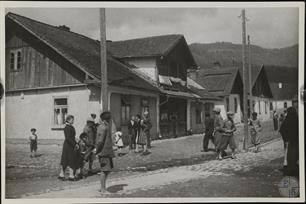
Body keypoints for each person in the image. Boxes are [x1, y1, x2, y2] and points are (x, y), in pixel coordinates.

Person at [95, 111, 115, 195]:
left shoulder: (106, 126)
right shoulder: (103, 127)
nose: (111, 120)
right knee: (104, 170)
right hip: (103, 152)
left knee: (107, 170)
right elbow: (100, 141)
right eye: (109, 119)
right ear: (106, 120)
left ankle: (102, 187)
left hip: (107, 152)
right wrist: (96, 151)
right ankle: (103, 189)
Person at [58, 115, 79, 181]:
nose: (73, 121)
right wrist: (74, 144)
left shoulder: (70, 127)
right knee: (67, 160)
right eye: (72, 120)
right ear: (69, 120)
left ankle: (69, 175)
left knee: (69, 160)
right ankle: (66, 175)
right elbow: (68, 138)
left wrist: (76, 143)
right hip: (68, 146)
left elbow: (72, 137)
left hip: (70, 145)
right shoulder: (67, 127)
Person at [279, 107, 299, 177]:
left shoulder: (287, 119)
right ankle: (293, 169)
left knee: (290, 156)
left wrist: (285, 138)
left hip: (291, 141)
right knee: (294, 155)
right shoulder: (297, 119)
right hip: (296, 141)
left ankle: (291, 169)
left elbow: (282, 130)